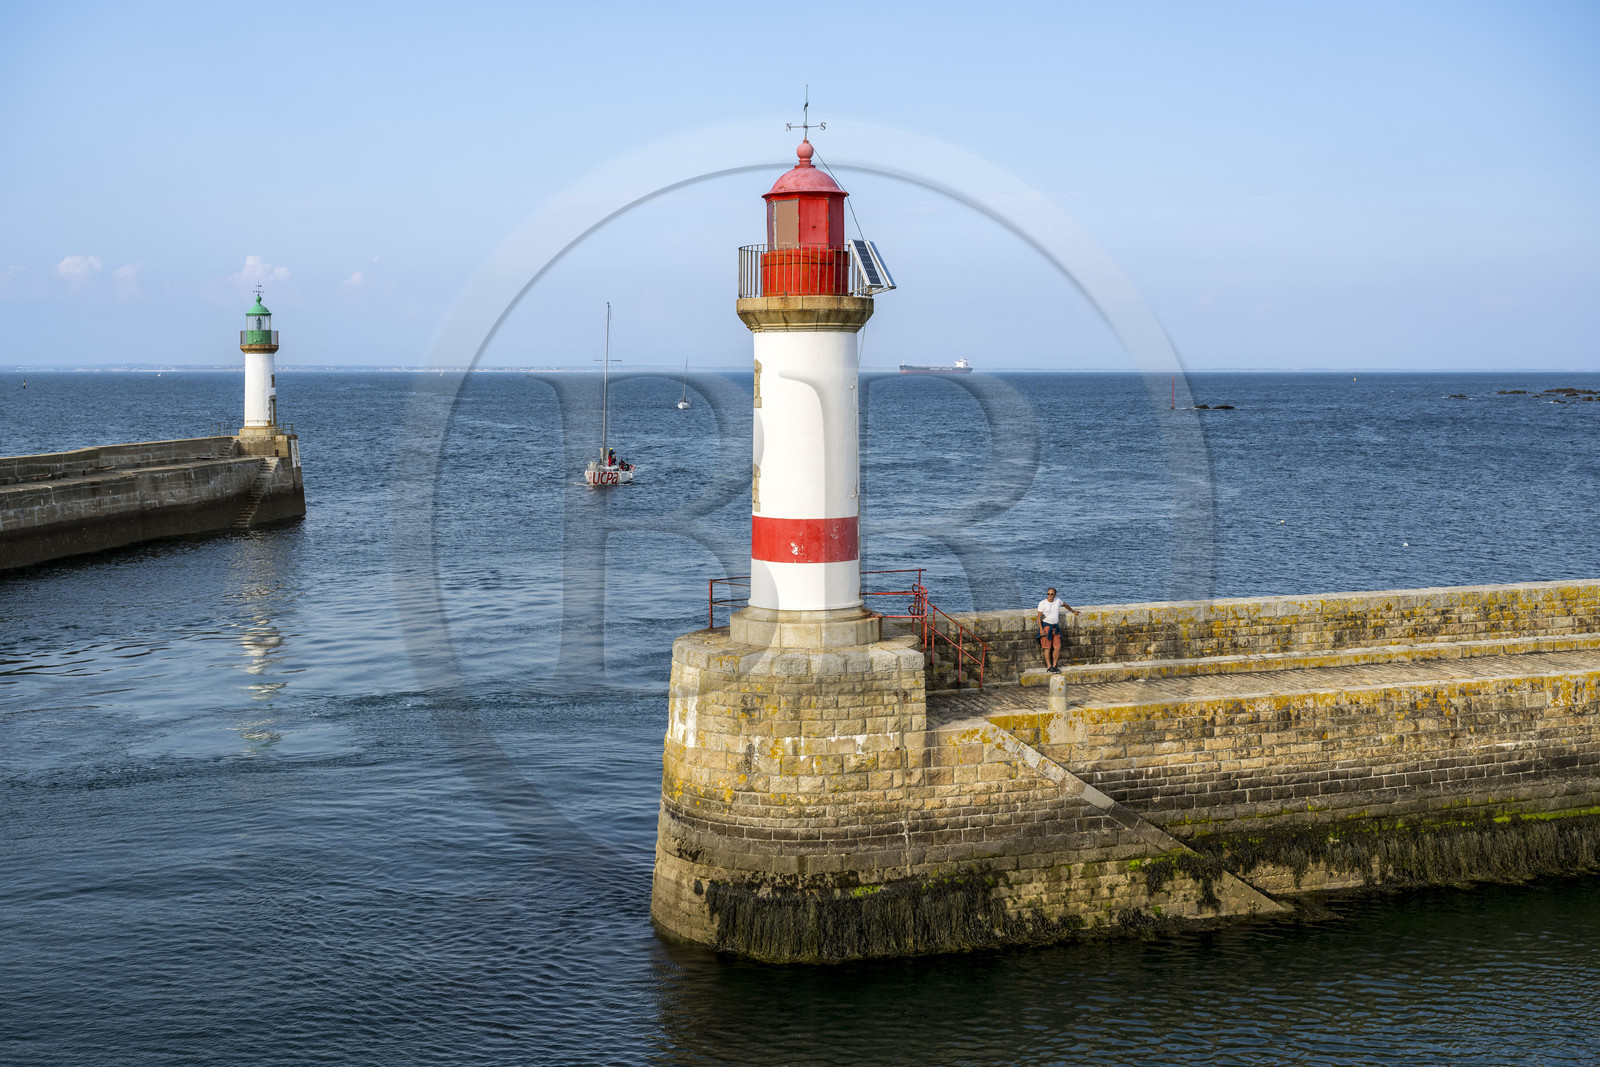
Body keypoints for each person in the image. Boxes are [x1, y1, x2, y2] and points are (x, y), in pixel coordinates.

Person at [1036, 587, 1080, 673]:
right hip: (1046, 627)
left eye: (1051, 594)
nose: (1050, 595)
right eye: (1048, 594)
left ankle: (1055, 666)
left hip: (1055, 628)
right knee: (1047, 648)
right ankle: (1049, 667)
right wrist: (1041, 629)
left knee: (1057, 647)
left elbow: (1065, 605)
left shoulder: (1058, 601)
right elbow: (1039, 617)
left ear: (1055, 595)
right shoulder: (1042, 603)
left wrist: (1072, 611)